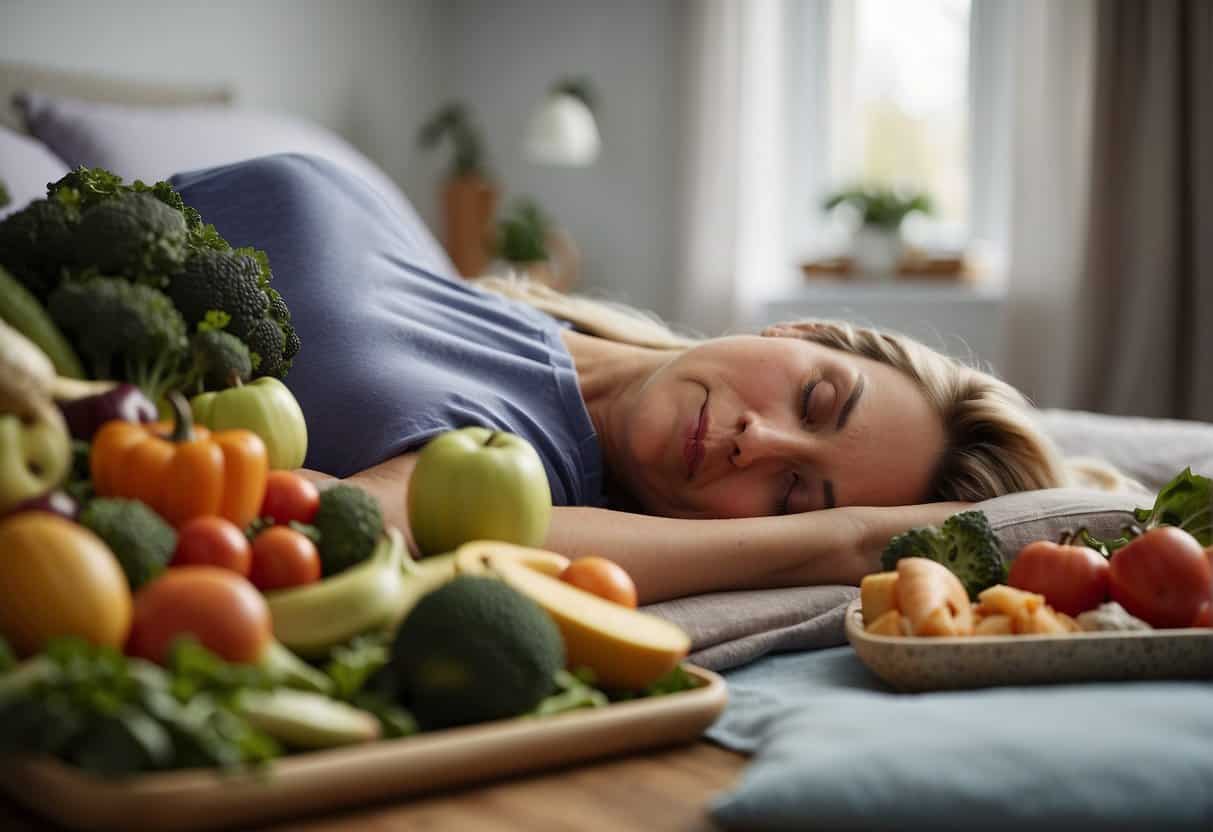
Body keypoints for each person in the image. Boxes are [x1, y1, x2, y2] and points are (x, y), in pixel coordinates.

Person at [173, 154, 1069, 604]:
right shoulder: (514, 308)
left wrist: (852, 540)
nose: (761, 442)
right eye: (816, 398)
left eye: (793, 494)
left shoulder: (509, 486)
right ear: (798, 331)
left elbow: (381, 527)